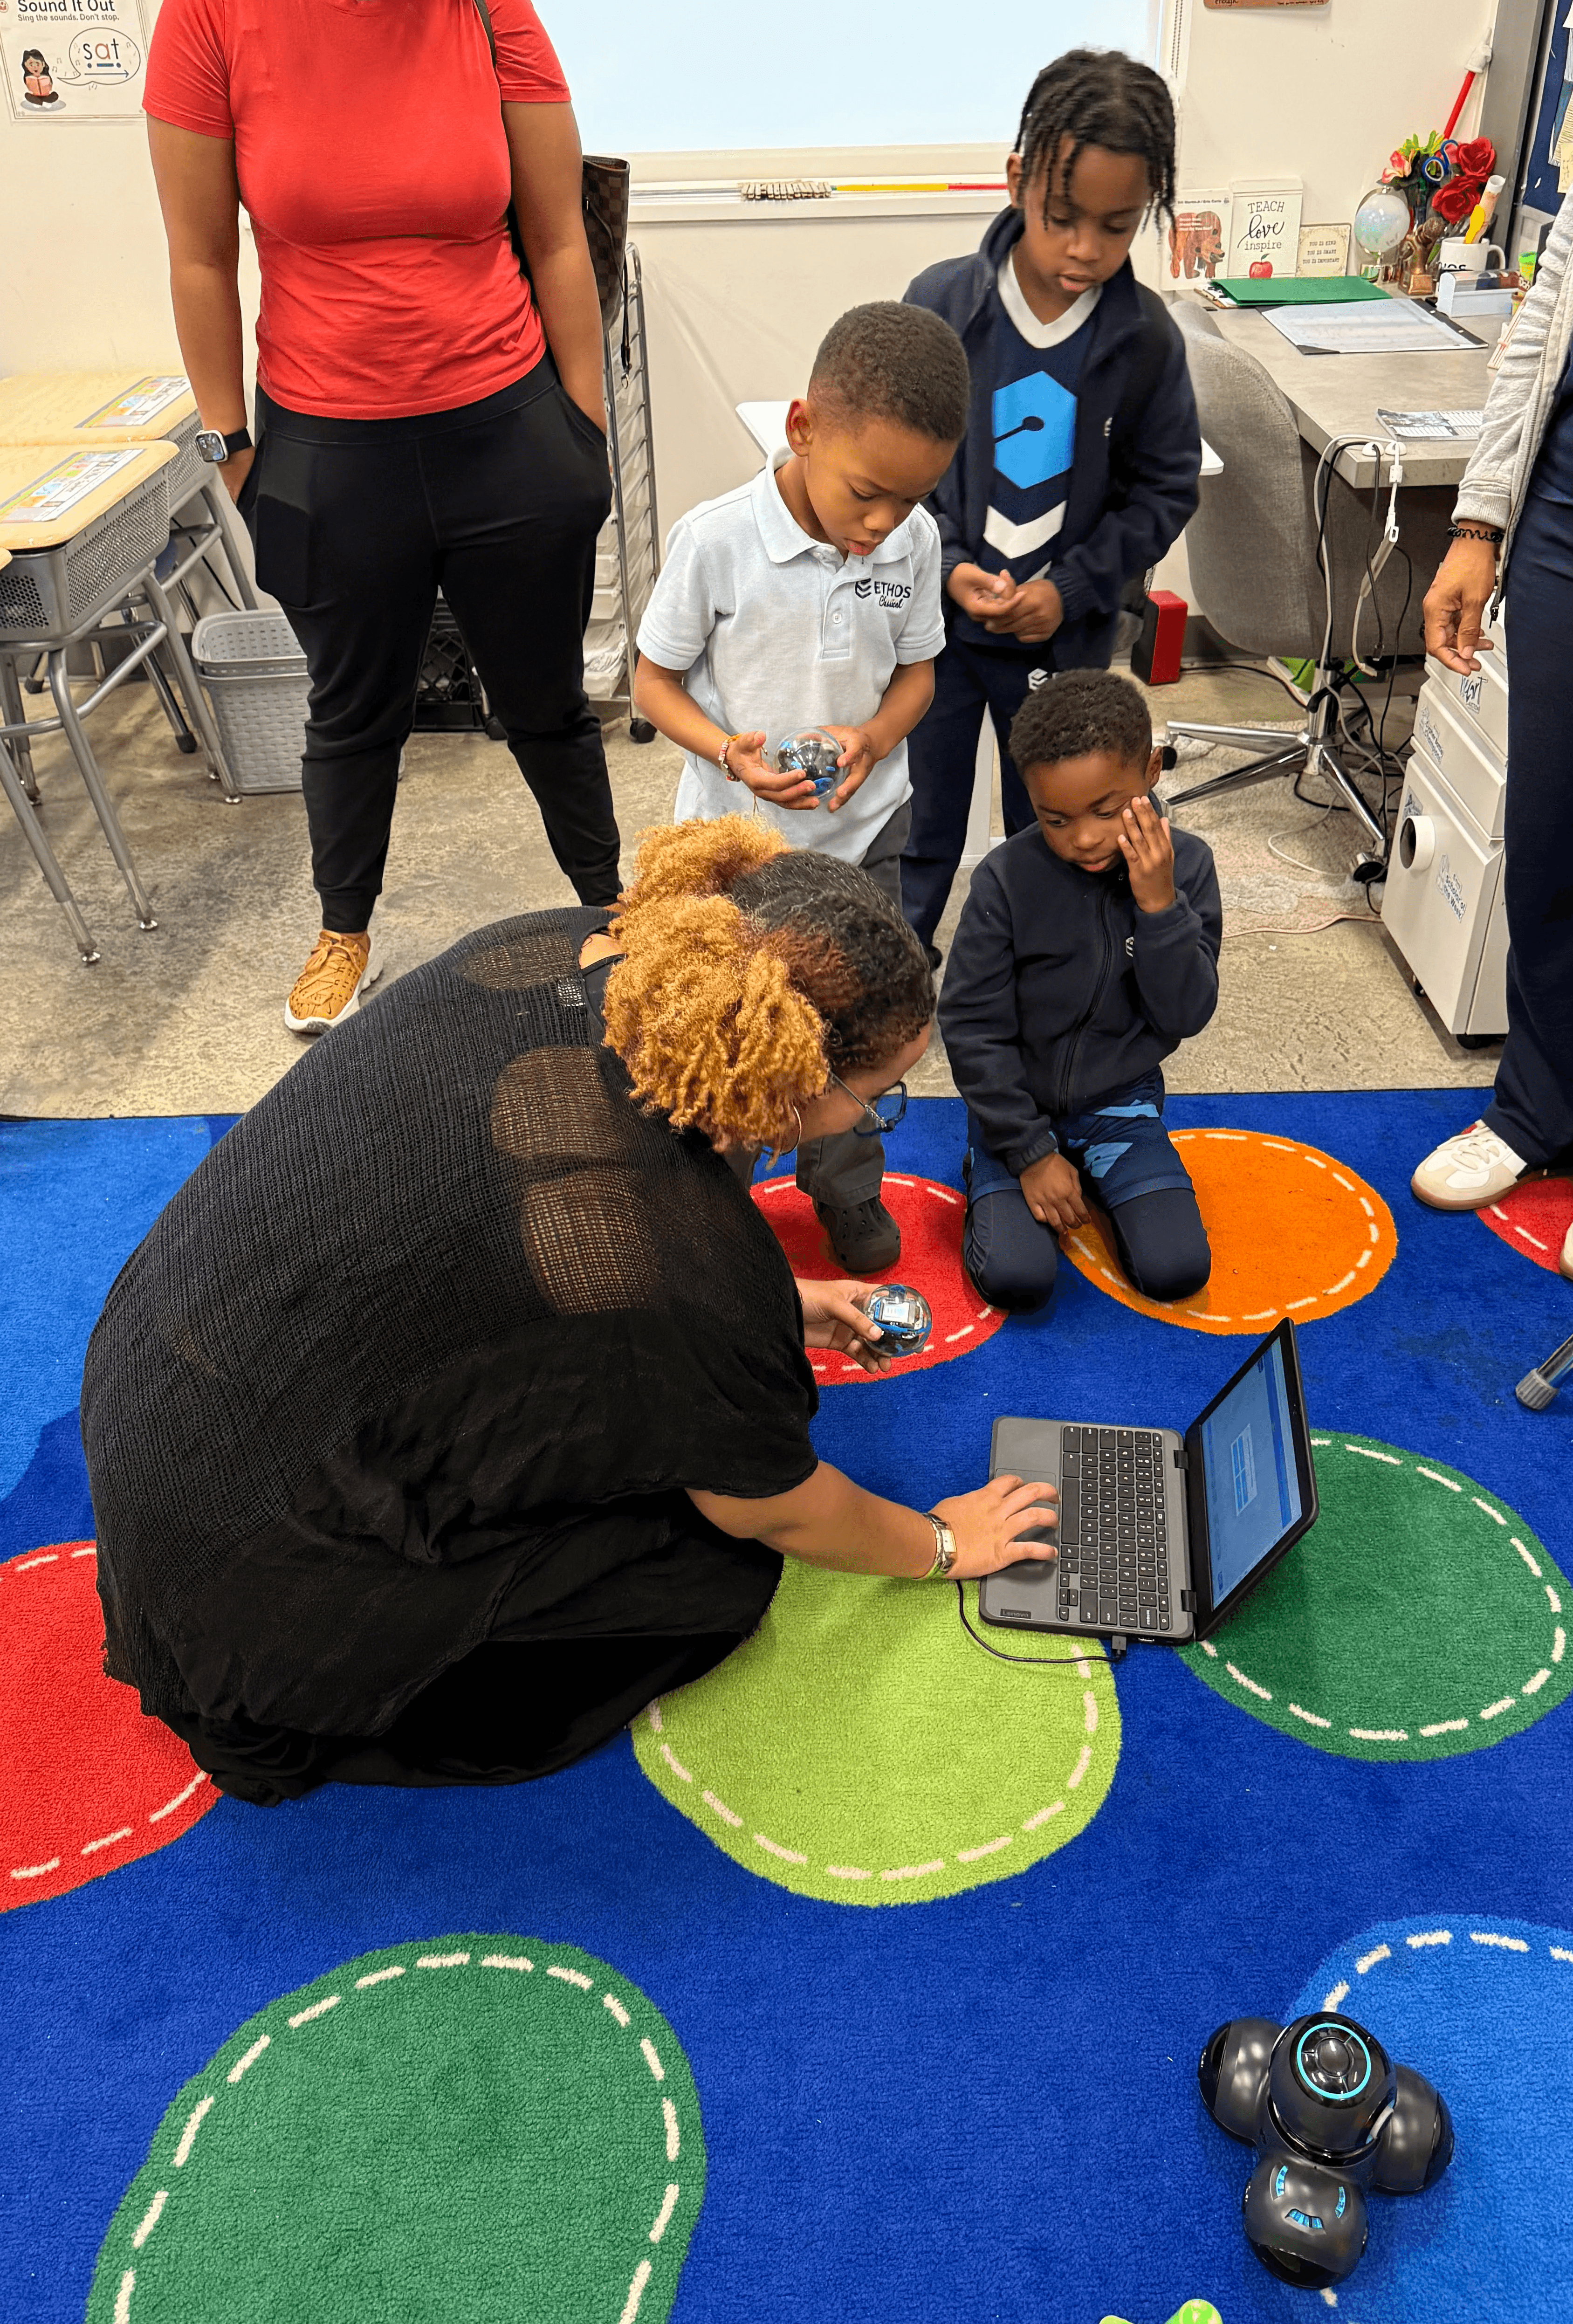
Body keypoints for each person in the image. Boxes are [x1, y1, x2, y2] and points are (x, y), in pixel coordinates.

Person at [81, 818, 1058, 1808]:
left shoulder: (565, 941)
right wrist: (942, 1544)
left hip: (156, 1395)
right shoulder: (679, 1260)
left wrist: (774, 1301)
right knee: (712, 1576)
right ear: (779, 1061)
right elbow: (776, 1504)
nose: (869, 1120)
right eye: (877, 1098)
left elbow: (496, 1231)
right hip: (250, 1614)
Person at [143, 0, 621, 1036]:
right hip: (327, 446)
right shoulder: (210, 18)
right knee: (352, 711)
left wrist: (581, 433)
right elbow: (198, 258)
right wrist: (230, 449)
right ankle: (342, 929)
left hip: (509, 431)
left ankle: (607, 900)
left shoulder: (491, 13)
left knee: (547, 703)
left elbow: (557, 237)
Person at [631, 301, 969, 1273]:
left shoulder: (910, 542)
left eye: (908, 501)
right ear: (801, 429)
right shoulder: (715, 541)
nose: (882, 523)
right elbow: (652, 684)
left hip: (866, 837)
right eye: (866, 493)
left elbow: (918, 679)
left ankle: (846, 1190)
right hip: (742, 854)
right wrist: (732, 753)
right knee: (737, 1045)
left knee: (853, 1040)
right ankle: (714, 1215)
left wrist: (867, 738)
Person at [900, 47, 1201, 964]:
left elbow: (1164, 489)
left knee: (1051, 828)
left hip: (1061, 644)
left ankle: (1039, 973)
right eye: (1062, 217)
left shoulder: (1145, 338)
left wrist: (1068, 588)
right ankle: (896, 979)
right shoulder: (940, 305)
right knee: (923, 825)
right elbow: (899, 468)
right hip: (939, 637)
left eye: (1115, 228)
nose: (1084, 250)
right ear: (1016, 180)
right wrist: (948, 563)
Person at [938, 670, 1220, 1314]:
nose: (1084, 837)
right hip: (1015, 1109)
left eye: (1105, 808)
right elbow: (970, 1025)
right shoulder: (1004, 881)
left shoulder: (1190, 867)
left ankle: (1096, 1169)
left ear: (1150, 770)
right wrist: (1028, 1151)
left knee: (1176, 1269)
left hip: (1120, 1104)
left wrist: (1158, 909)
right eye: (1054, 818)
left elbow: (1185, 1013)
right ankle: (998, 1161)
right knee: (1018, 1278)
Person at [1414, 193, 1573, 1281]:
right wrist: (1480, 522)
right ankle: (1535, 1110)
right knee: (1551, 833)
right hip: (1562, 503)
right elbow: (1540, 327)